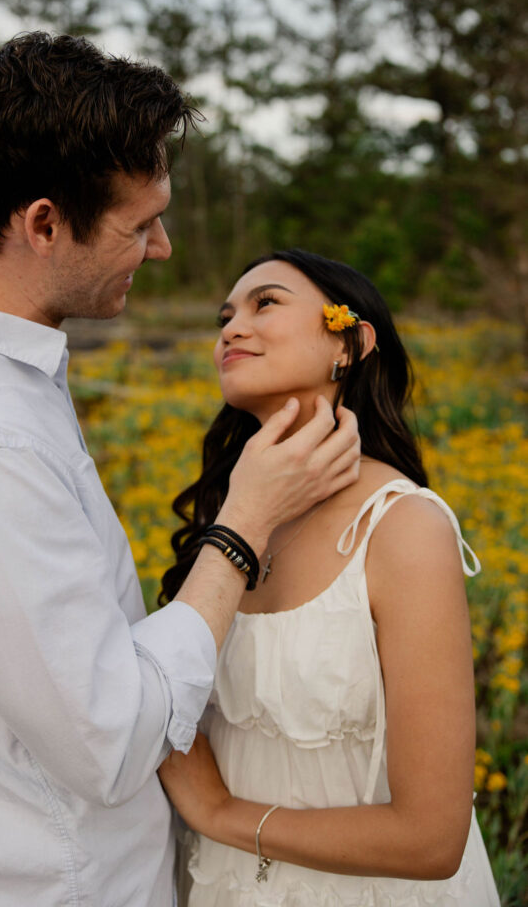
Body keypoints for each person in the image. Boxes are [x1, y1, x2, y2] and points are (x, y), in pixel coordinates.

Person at [0, 36, 361, 907]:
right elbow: (112, 738)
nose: (160, 248)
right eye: (139, 223)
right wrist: (242, 526)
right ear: (43, 223)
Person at [158, 249, 501, 906]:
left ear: (349, 342)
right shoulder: (227, 513)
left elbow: (431, 840)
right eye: (224, 314)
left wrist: (221, 815)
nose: (229, 328)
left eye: (265, 303)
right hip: (222, 886)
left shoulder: (401, 527)